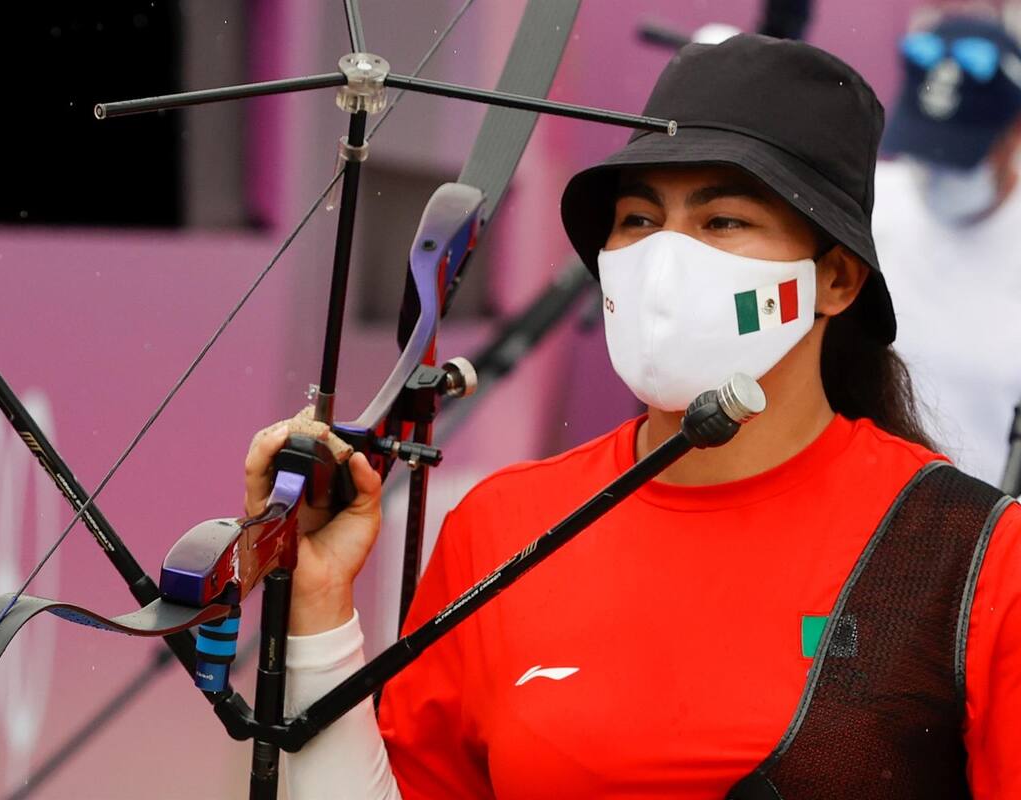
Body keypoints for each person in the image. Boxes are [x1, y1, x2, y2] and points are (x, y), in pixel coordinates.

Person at [242, 35, 1021, 798]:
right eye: (640, 222)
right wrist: (315, 609)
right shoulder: (503, 525)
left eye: (722, 222)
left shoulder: (971, 553)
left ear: (837, 280)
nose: (665, 264)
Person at [875, 14, 1021, 484]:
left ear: (1014, 134)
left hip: (989, 533)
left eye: (957, 157)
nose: (936, 173)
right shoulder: (865, 203)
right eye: (923, 150)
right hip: (863, 512)